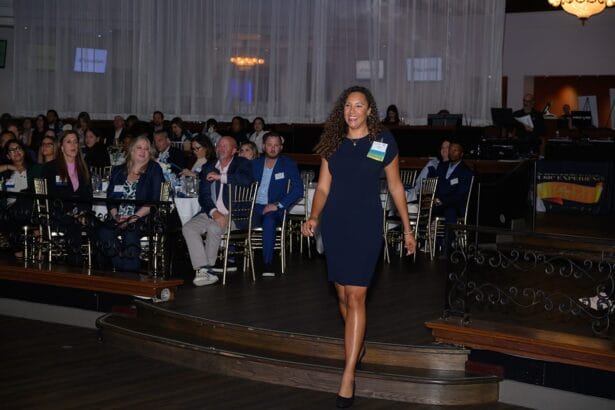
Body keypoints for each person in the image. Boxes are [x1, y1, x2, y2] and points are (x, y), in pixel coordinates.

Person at [302, 86, 416, 408]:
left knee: (356, 295)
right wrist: (313, 217)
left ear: (369, 111)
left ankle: (348, 374)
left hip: (366, 225)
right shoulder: (333, 143)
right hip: (336, 225)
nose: (352, 111)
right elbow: (323, 187)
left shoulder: (381, 142)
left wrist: (408, 229)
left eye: (359, 106)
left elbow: (395, 187)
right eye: (348, 106)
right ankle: (358, 346)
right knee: (341, 294)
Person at [181, 136, 253, 286]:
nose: (221, 148)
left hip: (234, 214)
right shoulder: (209, 165)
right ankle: (205, 268)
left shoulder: (242, 164)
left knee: (214, 227)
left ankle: (207, 271)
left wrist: (221, 177)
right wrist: (214, 211)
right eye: (219, 145)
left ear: (234, 150)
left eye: (225, 146)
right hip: (211, 212)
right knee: (188, 228)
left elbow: (246, 180)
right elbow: (204, 195)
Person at [96, 135, 164, 272]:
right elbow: (111, 199)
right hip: (119, 217)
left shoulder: (154, 169)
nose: (143, 151)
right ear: (132, 151)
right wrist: (116, 216)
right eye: (139, 147)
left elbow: (155, 200)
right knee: (103, 232)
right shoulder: (118, 171)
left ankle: (129, 272)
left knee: (130, 231)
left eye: (146, 148)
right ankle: (121, 266)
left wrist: (133, 218)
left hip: (142, 218)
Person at [251, 132, 303, 276]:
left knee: (269, 220)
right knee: (233, 213)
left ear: (281, 147)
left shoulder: (288, 164)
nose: (272, 149)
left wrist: (278, 204)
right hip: (254, 207)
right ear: (263, 146)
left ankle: (267, 263)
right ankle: (229, 257)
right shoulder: (254, 164)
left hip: (275, 208)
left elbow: (298, 189)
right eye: (269, 145)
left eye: (276, 145)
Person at [42, 130, 92, 265]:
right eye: (69, 141)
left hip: (81, 213)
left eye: (75, 141)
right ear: (61, 146)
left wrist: (81, 211)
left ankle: (102, 270)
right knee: (73, 224)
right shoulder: (51, 168)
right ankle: (76, 266)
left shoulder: (83, 167)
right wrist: (72, 212)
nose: (73, 145)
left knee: (99, 226)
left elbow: (88, 196)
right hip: (59, 213)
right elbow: (52, 197)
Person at [0, 140, 42, 258]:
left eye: (18, 148)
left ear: (23, 151)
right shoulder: (6, 173)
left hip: (29, 209)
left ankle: (19, 252)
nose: (16, 151)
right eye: (11, 150)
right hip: (10, 210)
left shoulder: (35, 169)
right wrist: (8, 166)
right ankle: (19, 253)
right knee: (8, 214)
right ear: (8, 156)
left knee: (25, 195)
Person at [430, 140, 473, 255]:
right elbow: (436, 184)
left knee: (450, 211)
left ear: (461, 153)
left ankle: (447, 249)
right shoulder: (442, 166)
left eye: (455, 150)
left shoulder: (465, 172)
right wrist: (436, 199)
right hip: (439, 202)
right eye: (451, 149)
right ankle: (431, 245)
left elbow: (460, 195)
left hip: (455, 205)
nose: (452, 152)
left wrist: (442, 201)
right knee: (425, 209)